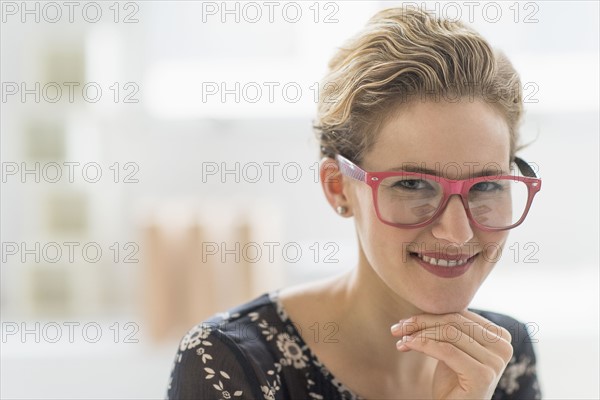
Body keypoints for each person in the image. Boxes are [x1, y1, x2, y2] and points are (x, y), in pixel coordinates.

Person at [166, 7, 542, 400]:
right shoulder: (230, 362)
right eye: (413, 184)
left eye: (486, 186)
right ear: (339, 188)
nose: (457, 231)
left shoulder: (502, 355)